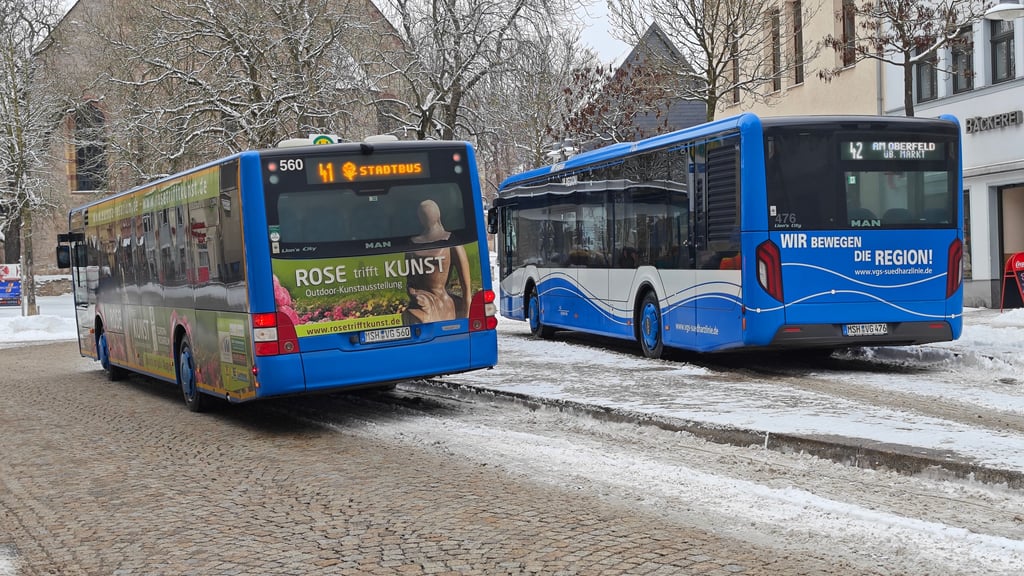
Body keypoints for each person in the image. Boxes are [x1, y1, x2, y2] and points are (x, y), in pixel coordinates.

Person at [402, 199, 472, 324]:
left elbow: (466, 285)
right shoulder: (412, 244)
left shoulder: (451, 241)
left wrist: (466, 313)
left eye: (429, 212)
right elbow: (410, 280)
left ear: (437, 215)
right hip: (421, 301)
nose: (426, 216)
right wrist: (414, 294)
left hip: (443, 303)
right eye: (422, 214)